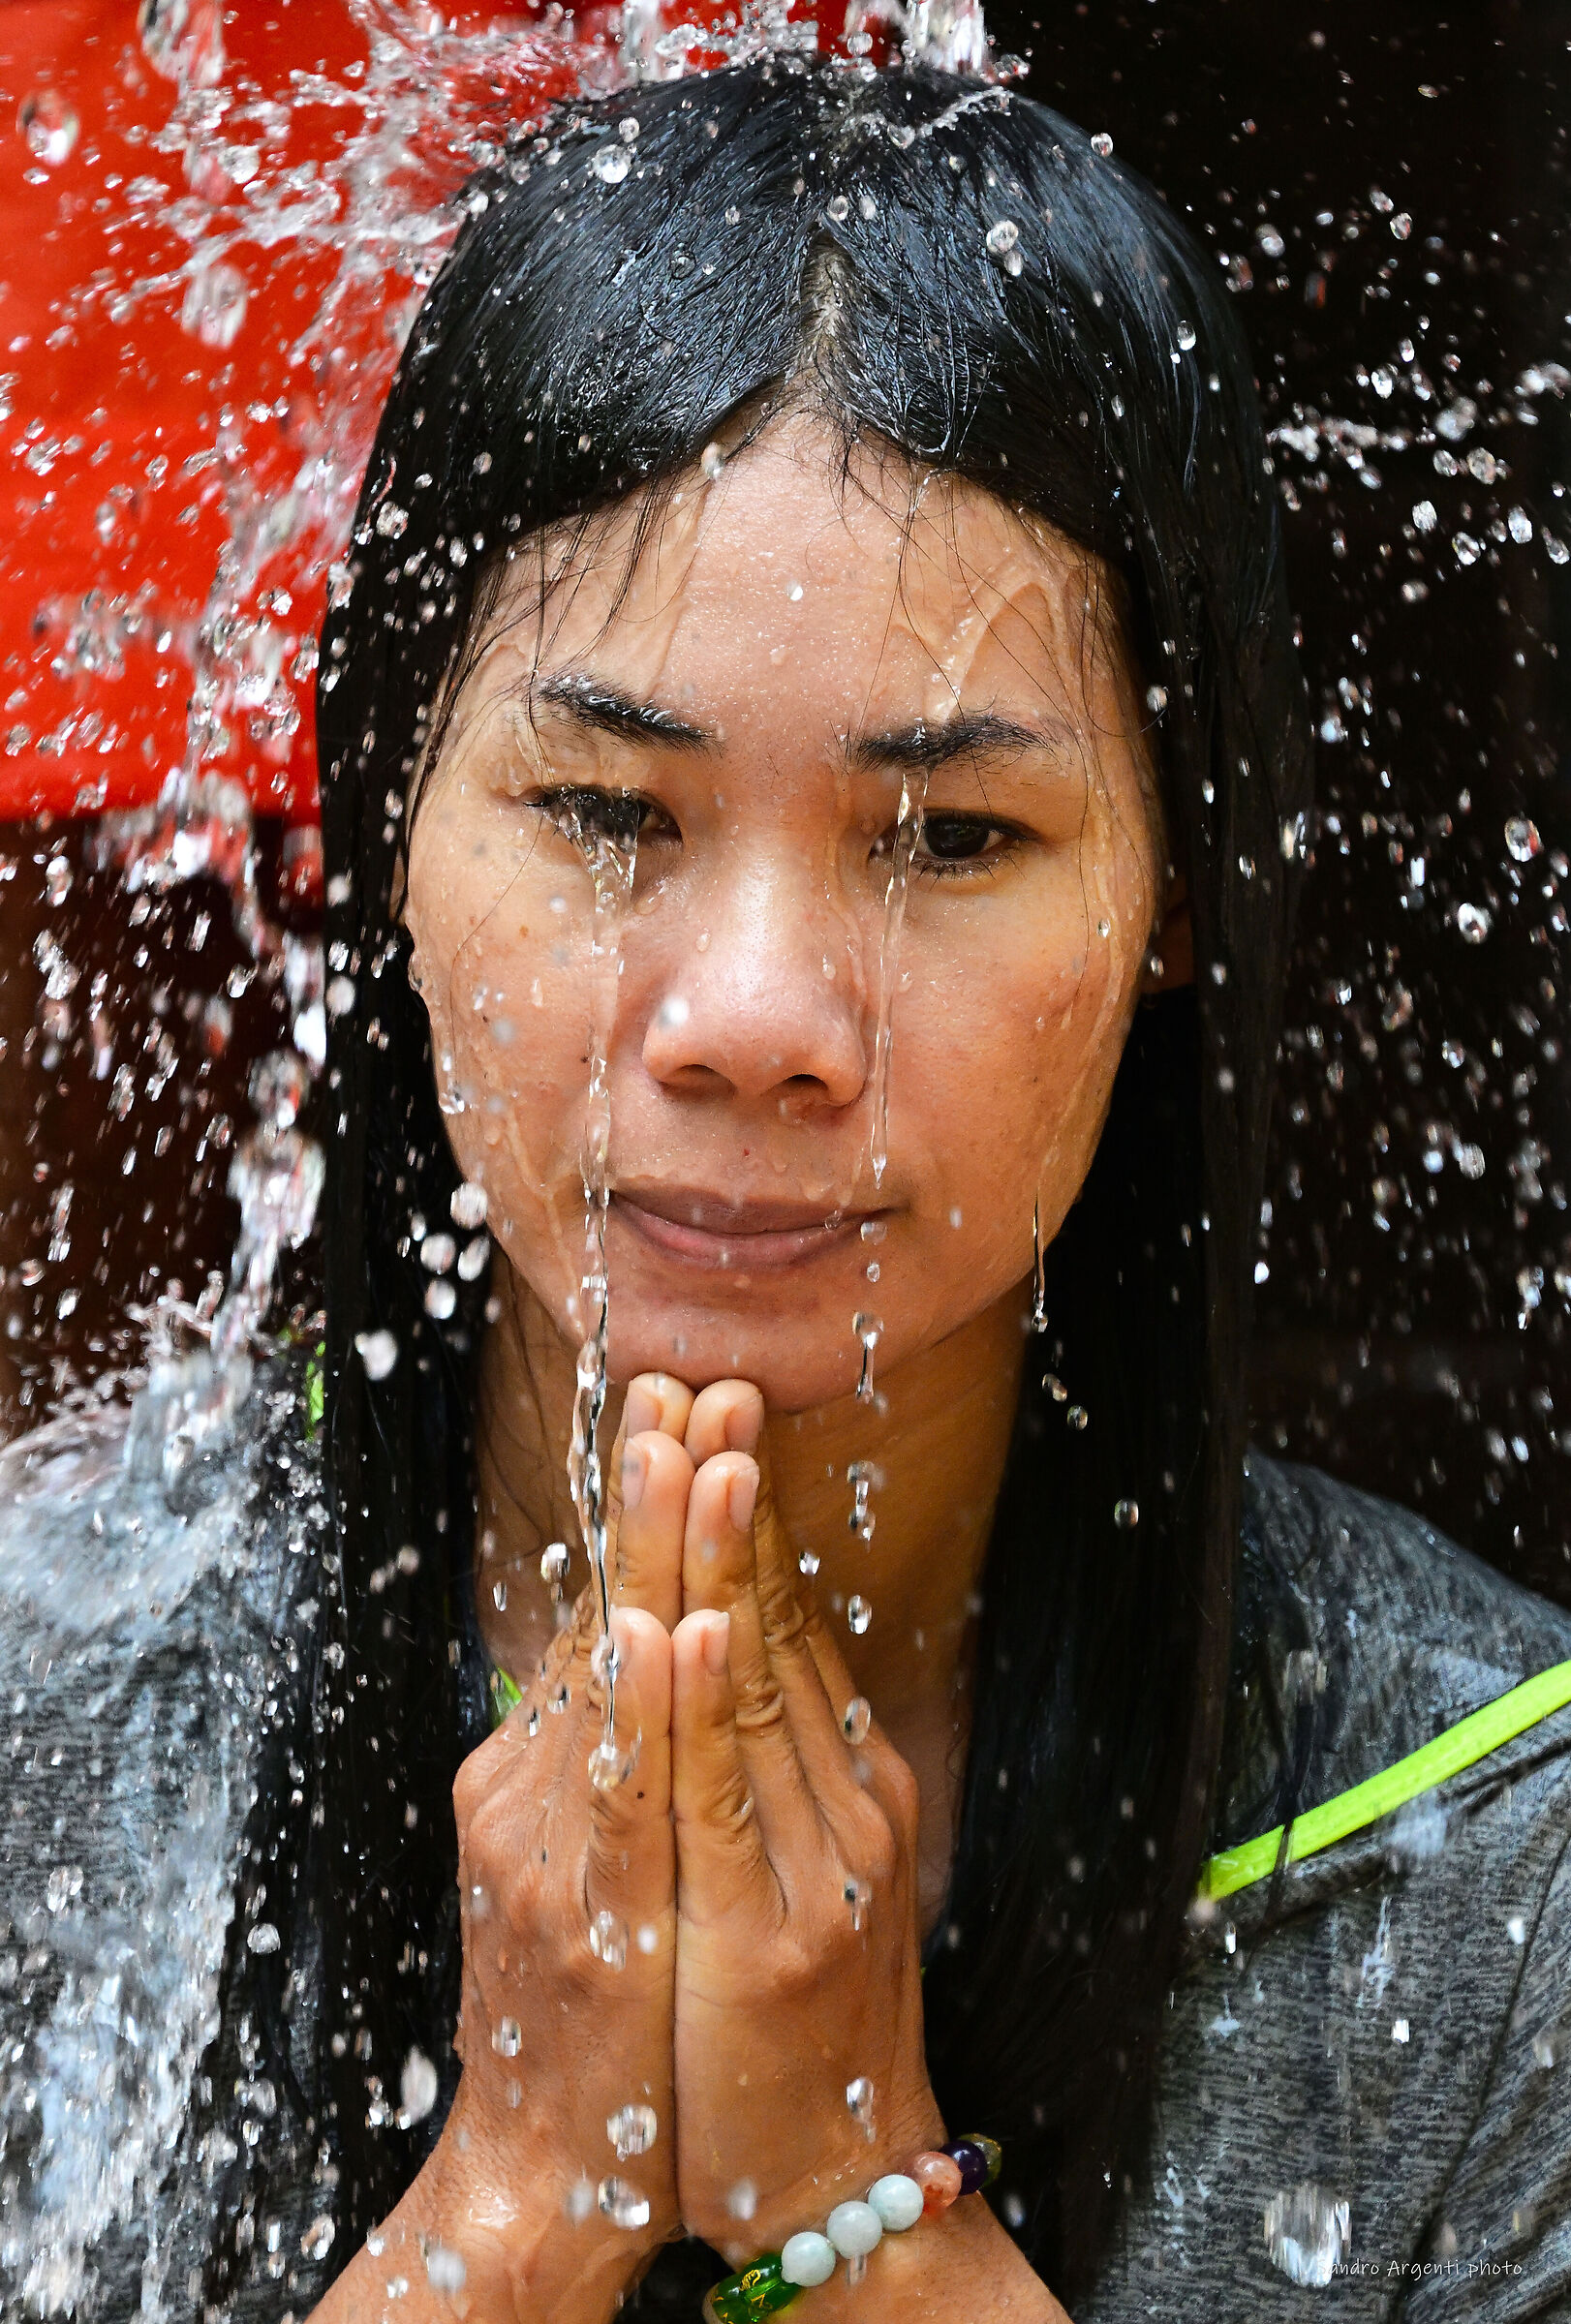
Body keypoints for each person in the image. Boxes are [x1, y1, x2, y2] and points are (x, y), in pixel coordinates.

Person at [5, 54, 1571, 2324]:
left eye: (951, 839)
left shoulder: (1498, 1870)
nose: (752, 1016)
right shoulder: (70, 1724)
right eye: (605, 814)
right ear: (384, 833)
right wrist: (520, 2196)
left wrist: (855, 2190)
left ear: (1181, 894)